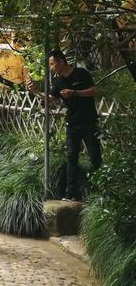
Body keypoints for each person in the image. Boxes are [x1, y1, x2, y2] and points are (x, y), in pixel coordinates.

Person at [26, 49, 101, 200]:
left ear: (61, 62)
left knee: (95, 156)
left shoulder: (81, 73)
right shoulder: (58, 81)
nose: (51, 67)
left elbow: (93, 90)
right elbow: (50, 98)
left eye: (53, 64)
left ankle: (100, 191)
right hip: (71, 123)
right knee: (71, 158)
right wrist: (35, 91)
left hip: (88, 122)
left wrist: (74, 92)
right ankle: (70, 194)